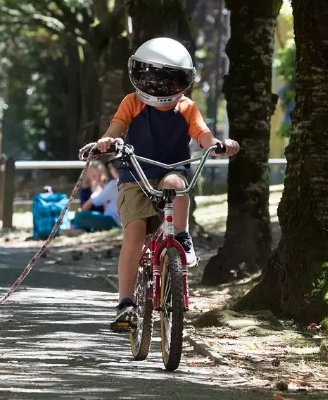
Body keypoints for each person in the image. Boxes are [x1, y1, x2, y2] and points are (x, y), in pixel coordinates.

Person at [93, 37, 240, 329]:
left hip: (171, 171)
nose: (160, 88)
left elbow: (203, 134)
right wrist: (108, 140)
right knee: (134, 234)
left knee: (176, 182)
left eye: (169, 81)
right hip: (135, 175)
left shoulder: (187, 107)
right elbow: (117, 127)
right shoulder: (132, 102)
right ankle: (125, 304)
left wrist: (219, 144)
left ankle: (182, 237)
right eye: (154, 80)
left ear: (182, 82)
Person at [73, 158, 121, 231]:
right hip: (93, 215)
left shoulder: (108, 186)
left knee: (80, 217)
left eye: (100, 175)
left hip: (106, 216)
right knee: (78, 215)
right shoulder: (85, 189)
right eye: (94, 176)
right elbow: (84, 208)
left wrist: (101, 192)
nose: (97, 179)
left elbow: (107, 210)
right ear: (89, 176)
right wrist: (92, 197)